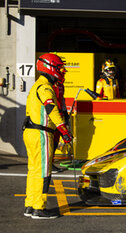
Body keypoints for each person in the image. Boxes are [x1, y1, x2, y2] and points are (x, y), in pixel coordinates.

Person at [22, 53, 73, 219]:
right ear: (50, 68)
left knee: (34, 171)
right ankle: (39, 208)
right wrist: (64, 130)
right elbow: (51, 108)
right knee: (44, 171)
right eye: (60, 68)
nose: (62, 71)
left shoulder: (37, 85)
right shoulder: (46, 88)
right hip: (41, 133)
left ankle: (30, 205)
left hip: (30, 132)